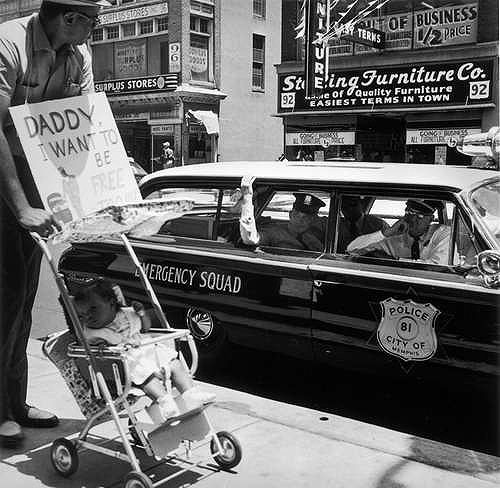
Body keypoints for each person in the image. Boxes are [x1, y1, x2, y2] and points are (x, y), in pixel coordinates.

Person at [0, 0, 111, 447]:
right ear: (70, 19)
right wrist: (21, 205)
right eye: (92, 21)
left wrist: (98, 195)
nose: (95, 29)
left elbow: (80, 129)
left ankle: (15, 402)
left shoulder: (78, 56)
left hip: (35, 188)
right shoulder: (8, 43)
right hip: (5, 184)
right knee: (4, 299)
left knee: (22, 299)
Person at [73, 280, 215, 422]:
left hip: (149, 352)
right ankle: (164, 401)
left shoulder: (127, 314)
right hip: (129, 365)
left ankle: (190, 393)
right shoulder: (92, 333)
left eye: (93, 309)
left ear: (111, 302)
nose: (88, 317)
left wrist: (142, 314)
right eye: (82, 315)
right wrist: (104, 347)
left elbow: (145, 328)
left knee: (175, 363)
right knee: (146, 376)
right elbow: (98, 353)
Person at [347, 199, 450, 265]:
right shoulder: (395, 238)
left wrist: (395, 261)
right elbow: (352, 249)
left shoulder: (442, 234)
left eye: (420, 216)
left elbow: (438, 266)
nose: (413, 220)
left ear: (431, 219)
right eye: (409, 213)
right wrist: (386, 232)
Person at [239, 177, 326, 251]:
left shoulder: (318, 231)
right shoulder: (274, 232)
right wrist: (247, 197)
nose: (300, 220)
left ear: (313, 220)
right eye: (296, 215)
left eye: (306, 218)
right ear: (290, 215)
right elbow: (250, 239)